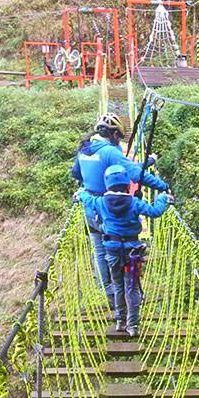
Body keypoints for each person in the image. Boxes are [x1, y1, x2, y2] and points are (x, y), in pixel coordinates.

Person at [71, 114, 170, 290]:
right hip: (110, 209)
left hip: (90, 207)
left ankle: (106, 288)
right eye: (119, 137)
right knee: (121, 246)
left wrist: (148, 162)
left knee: (99, 249)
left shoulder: (84, 149)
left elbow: (77, 174)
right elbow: (135, 174)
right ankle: (125, 288)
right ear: (115, 134)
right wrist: (164, 187)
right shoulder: (110, 151)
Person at [75, 164, 172, 336]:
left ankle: (120, 321)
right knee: (132, 287)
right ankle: (132, 325)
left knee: (118, 285)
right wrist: (163, 198)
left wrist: (80, 193)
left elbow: (87, 199)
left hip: (112, 251)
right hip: (132, 253)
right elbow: (155, 211)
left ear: (107, 185)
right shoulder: (135, 203)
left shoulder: (100, 202)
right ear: (127, 184)